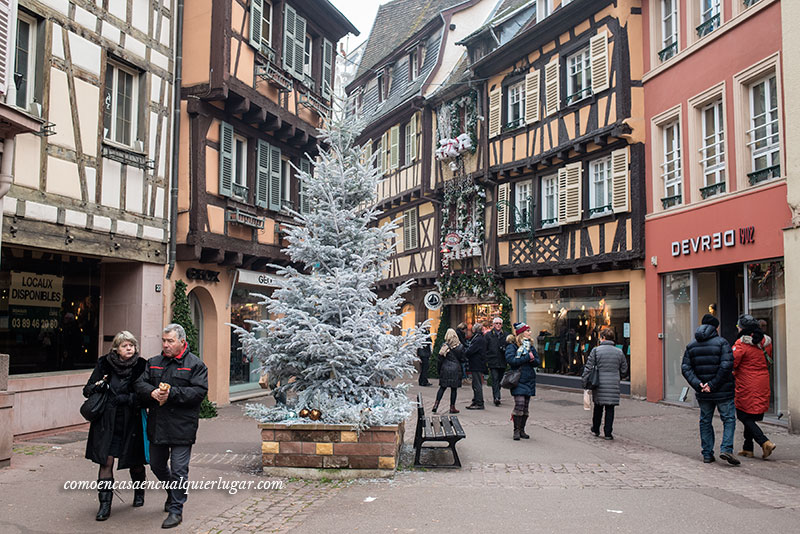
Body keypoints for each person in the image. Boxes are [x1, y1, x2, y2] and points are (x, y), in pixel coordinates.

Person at [135, 324, 208, 529]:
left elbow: (199, 393)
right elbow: (140, 384)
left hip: (182, 426)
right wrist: (151, 393)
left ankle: (176, 510)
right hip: (158, 425)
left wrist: (171, 393)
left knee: (179, 470)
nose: (166, 345)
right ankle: (172, 491)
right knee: (157, 465)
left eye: (170, 341)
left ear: (182, 342)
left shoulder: (195, 365)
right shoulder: (154, 363)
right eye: (164, 341)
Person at [83, 331, 148, 521]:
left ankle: (139, 492)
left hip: (132, 421)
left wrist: (128, 398)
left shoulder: (142, 366)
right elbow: (87, 390)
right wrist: (98, 387)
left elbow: (147, 395)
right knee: (106, 462)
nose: (129, 348)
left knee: (135, 463)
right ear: (116, 349)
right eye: (125, 345)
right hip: (107, 422)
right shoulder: (104, 364)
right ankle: (104, 506)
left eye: (132, 345)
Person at [681, 314, 739, 464]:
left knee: (705, 421)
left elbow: (686, 368)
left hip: (703, 392)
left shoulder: (692, 345)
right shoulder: (722, 343)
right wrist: (712, 384)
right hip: (722, 390)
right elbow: (726, 365)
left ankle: (707, 453)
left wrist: (699, 384)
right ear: (716, 327)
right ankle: (726, 448)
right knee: (728, 419)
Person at [733, 314, 776, 460]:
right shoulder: (766, 342)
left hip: (746, 383)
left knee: (743, 415)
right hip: (762, 381)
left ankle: (764, 442)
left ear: (742, 328)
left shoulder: (741, 344)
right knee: (750, 414)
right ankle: (747, 448)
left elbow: (733, 363)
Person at [583, 328, 629, 442]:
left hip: (599, 383)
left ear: (602, 338)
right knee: (610, 408)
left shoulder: (596, 351)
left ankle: (596, 428)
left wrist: (585, 381)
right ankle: (608, 432)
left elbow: (589, 367)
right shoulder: (619, 352)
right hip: (613, 383)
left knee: (598, 407)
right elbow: (624, 369)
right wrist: (618, 376)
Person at [505, 322, 539, 440]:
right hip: (518, 379)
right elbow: (511, 360)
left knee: (525, 407)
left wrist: (532, 359)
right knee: (519, 405)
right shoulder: (512, 346)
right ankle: (516, 430)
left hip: (529, 379)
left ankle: (522, 430)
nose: (530, 333)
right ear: (521, 333)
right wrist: (526, 357)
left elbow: (537, 362)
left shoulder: (530, 345)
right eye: (527, 330)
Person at [432, 328, 466, 414]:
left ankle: (436, 404)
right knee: (454, 389)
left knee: (442, 388)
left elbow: (440, 360)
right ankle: (452, 407)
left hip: (445, 368)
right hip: (455, 369)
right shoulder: (460, 346)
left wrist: (439, 370)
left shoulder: (444, 347)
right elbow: (463, 359)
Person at [485, 317, 508, 406]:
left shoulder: (505, 335)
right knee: (495, 379)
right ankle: (496, 397)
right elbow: (485, 348)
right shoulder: (488, 335)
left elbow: (509, 346)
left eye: (499, 323)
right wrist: (487, 358)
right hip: (493, 360)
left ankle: (497, 393)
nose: (498, 325)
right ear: (493, 325)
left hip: (502, 361)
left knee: (500, 380)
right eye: (496, 323)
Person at [465, 322, 488, 410]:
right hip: (476, 364)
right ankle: (475, 400)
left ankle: (479, 402)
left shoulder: (478, 339)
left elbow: (471, 350)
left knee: (477, 384)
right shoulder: (479, 338)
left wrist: (466, 351)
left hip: (477, 364)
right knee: (475, 383)